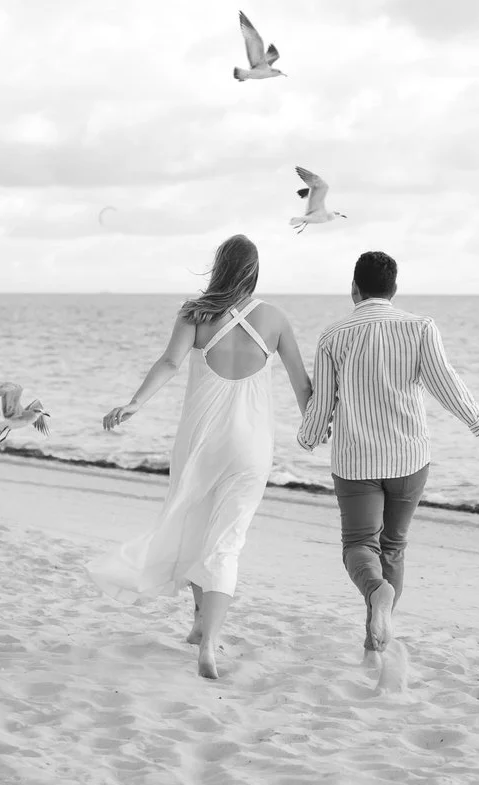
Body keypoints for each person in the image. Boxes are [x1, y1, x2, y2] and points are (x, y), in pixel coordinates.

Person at [88, 235, 312, 679]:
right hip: (251, 447)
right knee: (226, 543)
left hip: (200, 441)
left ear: (219, 267)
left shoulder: (196, 313)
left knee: (192, 522)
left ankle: (197, 621)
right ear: (254, 270)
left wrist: (135, 403)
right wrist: (318, 425)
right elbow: (302, 384)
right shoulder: (275, 318)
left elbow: (169, 364)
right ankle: (207, 638)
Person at [296, 250, 479, 665]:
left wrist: (308, 436)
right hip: (409, 458)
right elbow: (445, 381)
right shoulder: (420, 327)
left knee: (360, 545)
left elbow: (323, 401)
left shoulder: (332, 336)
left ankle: (375, 608)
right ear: (394, 290)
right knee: (392, 548)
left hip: (356, 460)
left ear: (354, 290)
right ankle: (374, 646)